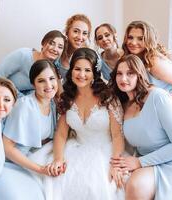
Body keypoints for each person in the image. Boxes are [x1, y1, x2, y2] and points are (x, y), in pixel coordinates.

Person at [30, 48, 125, 200]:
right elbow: (61, 134)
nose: (81, 74)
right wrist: (58, 158)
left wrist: (116, 164)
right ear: (71, 71)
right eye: (77, 69)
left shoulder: (108, 97)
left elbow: (117, 135)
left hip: (106, 151)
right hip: (76, 148)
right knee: (58, 178)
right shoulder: (67, 97)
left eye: (87, 70)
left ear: (94, 73)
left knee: (99, 185)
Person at [109, 54, 172, 200]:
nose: (123, 79)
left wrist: (139, 162)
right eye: (119, 74)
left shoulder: (158, 97)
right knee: (134, 185)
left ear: (139, 75)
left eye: (130, 73)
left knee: (136, 185)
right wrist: (118, 163)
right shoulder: (123, 106)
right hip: (151, 158)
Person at [0, 59, 60, 200]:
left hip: (33, 159)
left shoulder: (53, 104)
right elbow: (7, 148)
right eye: (41, 80)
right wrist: (40, 169)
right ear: (33, 84)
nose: (48, 85)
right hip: (9, 164)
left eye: (51, 78)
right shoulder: (25, 105)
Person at [122, 20, 172, 130]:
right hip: (163, 96)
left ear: (148, 40)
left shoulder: (154, 62)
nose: (133, 42)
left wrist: (166, 103)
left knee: (165, 131)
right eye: (130, 37)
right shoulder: (132, 58)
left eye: (140, 38)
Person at [0, 30, 66, 103]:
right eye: (51, 43)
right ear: (43, 43)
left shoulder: (53, 67)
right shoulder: (23, 55)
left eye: (60, 47)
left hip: (20, 102)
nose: (55, 49)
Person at [55, 14, 92, 80]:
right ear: (67, 32)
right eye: (76, 31)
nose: (80, 37)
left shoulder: (89, 57)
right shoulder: (58, 50)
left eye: (84, 33)